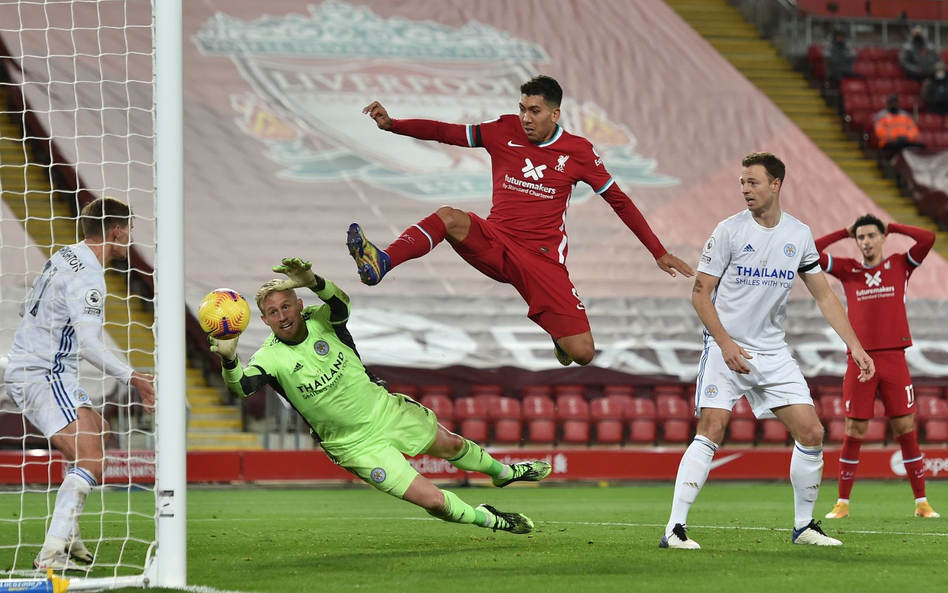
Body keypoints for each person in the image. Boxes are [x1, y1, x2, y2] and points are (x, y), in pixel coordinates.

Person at [351, 75, 693, 367]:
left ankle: (560, 338)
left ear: (555, 113)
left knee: (583, 354)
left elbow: (619, 201)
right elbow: (447, 132)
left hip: (541, 260)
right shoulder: (504, 130)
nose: (526, 117)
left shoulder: (578, 152)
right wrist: (394, 125)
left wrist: (658, 252)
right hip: (496, 242)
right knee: (449, 217)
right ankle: (382, 261)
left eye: (535, 111)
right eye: (522, 108)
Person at [209, 258, 550, 536]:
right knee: (432, 501)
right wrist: (228, 359)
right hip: (354, 445)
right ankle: (489, 519)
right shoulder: (269, 358)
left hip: (385, 409)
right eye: (273, 312)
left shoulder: (323, 320)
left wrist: (313, 279)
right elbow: (242, 387)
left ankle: (502, 474)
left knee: (452, 446)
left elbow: (341, 303)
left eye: (286, 306)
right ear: (264, 320)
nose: (282, 316)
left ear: (299, 305)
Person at [659, 153, 875, 550]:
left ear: (776, 184)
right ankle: (674, 529)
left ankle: (804, 526)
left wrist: (855, 346)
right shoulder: (728, 231)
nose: (745, 189)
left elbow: (824, 294)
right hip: (726, 346)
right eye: (742, 182)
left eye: (753, 182)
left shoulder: (798, 234)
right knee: (712, 429)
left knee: (811, 432)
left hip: (772, 351)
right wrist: (724, 344)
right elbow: (700, 292)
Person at [4, 196, 156, 570]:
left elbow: (27, 308)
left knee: (99, 431)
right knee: (91, 458)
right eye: (129, 231)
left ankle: (68, 535)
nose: (129, 239)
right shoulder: (89, 277)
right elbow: (88, 343)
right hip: (44, 373)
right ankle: (53, 551)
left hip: (41, 367)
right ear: (117, 231)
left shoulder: (63, 254)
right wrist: (133, 377)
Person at [816, 215, 939, 519]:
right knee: (854, 428)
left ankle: (922, 503)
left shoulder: (900, 264)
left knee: (905, 429)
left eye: (872, 235)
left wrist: (895, 226)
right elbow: (812, 252)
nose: (866, 242)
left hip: (895, 358)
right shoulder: (848, 269)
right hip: (860, 359)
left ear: (882, 238)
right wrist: (843, 232)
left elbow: (928, 239)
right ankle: (842, 503)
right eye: (861, 237)